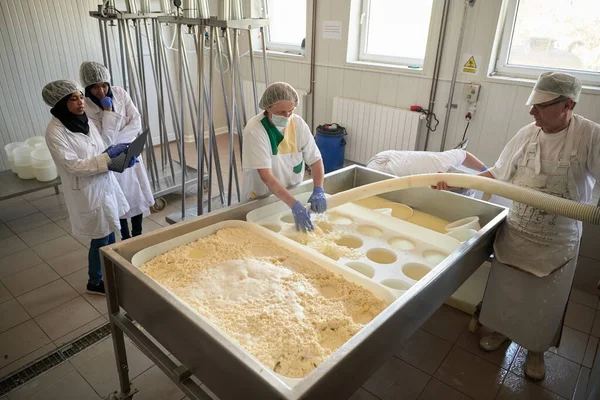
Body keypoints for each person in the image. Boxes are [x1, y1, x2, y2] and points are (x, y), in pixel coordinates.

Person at [434, 72, 600, 381]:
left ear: (568, 104)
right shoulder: (527, 134)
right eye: (532, 105)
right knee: (507, 294)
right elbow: (497, 174)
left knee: (544, 302)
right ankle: (501, 332)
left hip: (556, 241)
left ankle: (536, 349)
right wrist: (454, 182)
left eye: (541, 106)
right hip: (518, 232)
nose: (532, 112)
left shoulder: (590, 137)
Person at [42, 80, 136, 295]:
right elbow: (73, 166)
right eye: (73, 99)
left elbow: (100, 145)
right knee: (101, 237)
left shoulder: (84, 120)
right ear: (60, 103)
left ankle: (110, 271)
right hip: (86, 190)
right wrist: (107, 160)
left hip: (103, 183)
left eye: (80, 97)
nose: (80, 102)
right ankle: (95, 281)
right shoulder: (55, 132)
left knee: (110, 230)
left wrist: (119, 156)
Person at [79, 61, 154, 240]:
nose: (101, 91)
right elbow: (104, 140)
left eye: (104, 85)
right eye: (95, 87)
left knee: (136, 196)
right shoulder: (87, 107)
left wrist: (123, 144)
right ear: (87, 88)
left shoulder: (119, 92)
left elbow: (135, 120)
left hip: (130, 151)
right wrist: (107, 111)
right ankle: (126, 238)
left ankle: (138, 234)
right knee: (120, 200)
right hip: (110, 159)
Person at [242, 82, 326, 232]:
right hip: (263, 197)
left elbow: (315, 160)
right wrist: (294, 205)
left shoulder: (298, 124)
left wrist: (319, 188)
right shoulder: (255, 130)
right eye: (281, 112)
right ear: (267, 108)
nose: (287, 116)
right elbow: (266, 176)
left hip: (292, 194)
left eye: (291, 111)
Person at [367, 149, 487, 196]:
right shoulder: (434, 182)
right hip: (380, 170)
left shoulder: (446, 160)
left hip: (387, 155)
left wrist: (485, 170)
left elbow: (464, 154)